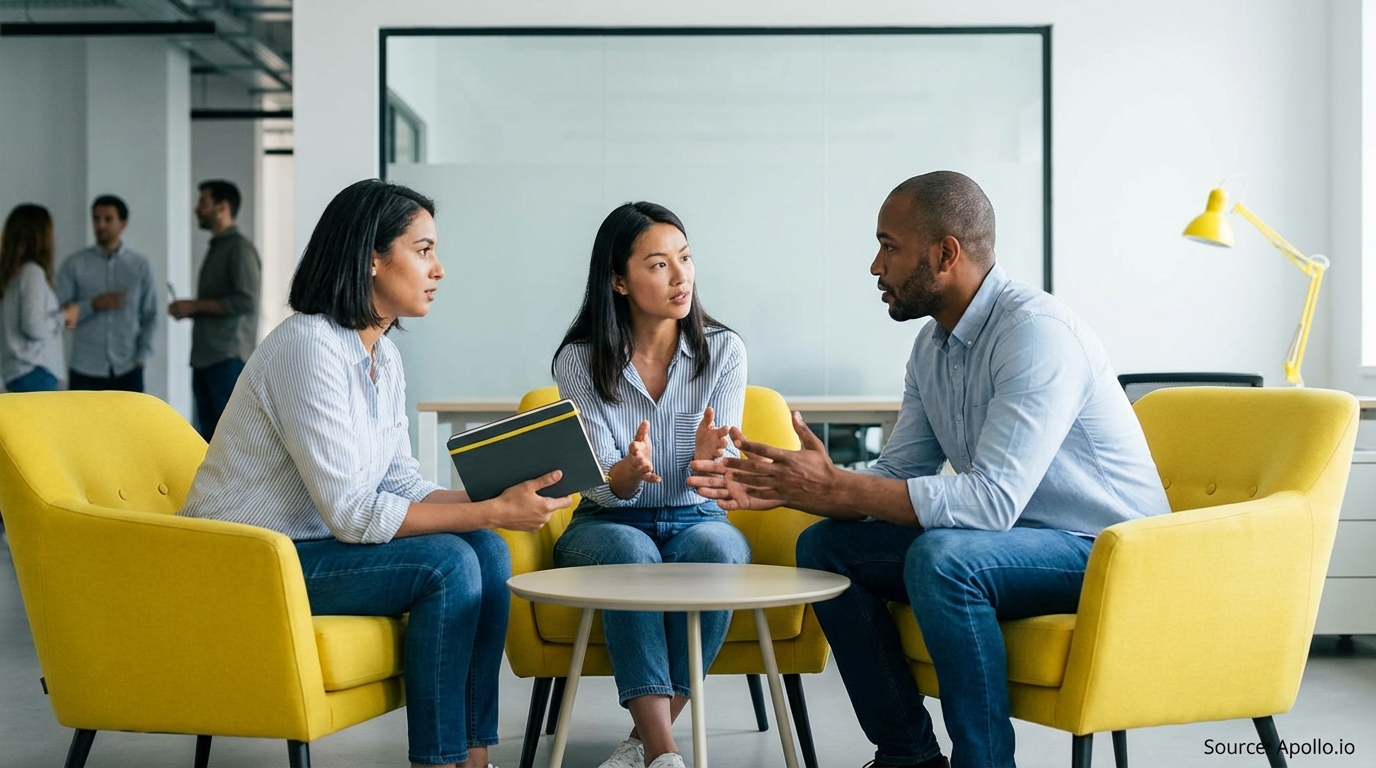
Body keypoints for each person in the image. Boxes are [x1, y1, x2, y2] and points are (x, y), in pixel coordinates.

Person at [687, 171, 1172, 768]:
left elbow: (991, 503)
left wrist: (838, 483)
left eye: (889, 246)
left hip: (1104, 547)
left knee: (944, 559)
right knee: (826, 548)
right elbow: (896, 475)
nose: (874, 266)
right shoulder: (931, 348)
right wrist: (796, 488)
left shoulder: (1036, 336)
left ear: (945, 254)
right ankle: (908, 757)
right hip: (1014, 541)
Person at [178, 179, 567, 768]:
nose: (439, 269)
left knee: (486, 549)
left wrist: (497, 500)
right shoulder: (308, 347)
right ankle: (437, 761)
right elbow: (354, 513)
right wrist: (489, 509)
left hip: (310, 547)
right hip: (250, 560)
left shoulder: (381, 354)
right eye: (424, 249)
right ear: (372, 259)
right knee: (448, 562)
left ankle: (473, 755)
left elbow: (399, 484)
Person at [550, 202, 751, 768]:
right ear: (618, 281)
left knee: (718, 549)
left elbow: (720, 478)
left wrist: (712, 466)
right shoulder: (580, 359)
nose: (681, 276)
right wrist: (625, 475)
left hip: (696, 517)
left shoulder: (724, 350)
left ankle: (644, 742)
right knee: (630, 552)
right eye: (659, 264)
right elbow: (595, 481)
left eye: (685, 259)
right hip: (607, 522)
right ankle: (664, 751)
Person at [168, 179, 261, 439]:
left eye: (202, 203)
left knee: (227, 439)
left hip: (226, 358)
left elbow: (246, 300)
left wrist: (195, 306)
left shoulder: (240, 249)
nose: (197, 209)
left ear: (221, 207)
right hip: (207, 357)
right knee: (208, 438)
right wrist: (192, 309)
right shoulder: (219, 246)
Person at [55, 194, 159, 392]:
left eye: (108, 219)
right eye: (96, 218)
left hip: (127, 367)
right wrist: (93, 304)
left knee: (129, 423)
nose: (100, 225)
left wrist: (142, 358)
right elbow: (58, 314)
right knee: (83, 423)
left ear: (123, 223)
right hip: (85, 367)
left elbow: (150, 316)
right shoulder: (75, 264)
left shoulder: (139, 266)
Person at [1, 204, 77, 392]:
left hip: (15, 369)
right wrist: (64, 316)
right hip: (35, 369)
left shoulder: (10, 274)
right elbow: (33, 326)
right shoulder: (32, 273)